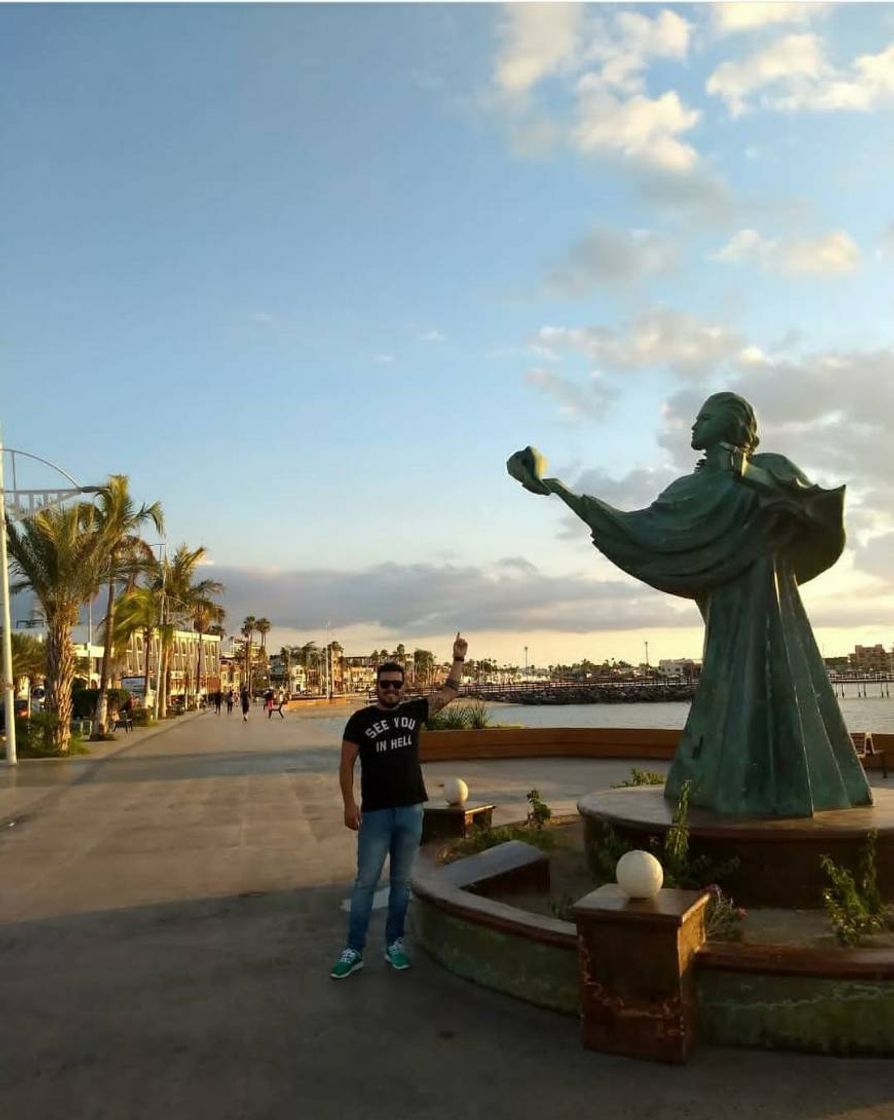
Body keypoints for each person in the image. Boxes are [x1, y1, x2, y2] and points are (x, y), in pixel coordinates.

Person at [508, 393, 872, 819]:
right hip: (727, 613)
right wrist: (558, 489)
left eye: (705, 416)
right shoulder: (689, 490)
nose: (694, 425)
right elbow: (636, 529)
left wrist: (747, 474)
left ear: (733, 423)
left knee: (780, 685)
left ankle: (794, 786)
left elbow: (818, 512)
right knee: (728, 691)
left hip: (772, 603)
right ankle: (723, 784)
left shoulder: (771, 468)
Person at [330, 632, 469, 979]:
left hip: (410, 811)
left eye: (396, 685)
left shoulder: (414, 710)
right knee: (365, 883)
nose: (390, 690)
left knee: (402, 882)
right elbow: (346, 764)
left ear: (404, 688)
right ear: (376, 686)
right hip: (375, 813)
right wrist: (349, 804)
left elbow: (449, 692)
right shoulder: (360, 720)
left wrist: (458, 659)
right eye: (385, 685)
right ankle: (354, 949)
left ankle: (394, 944)